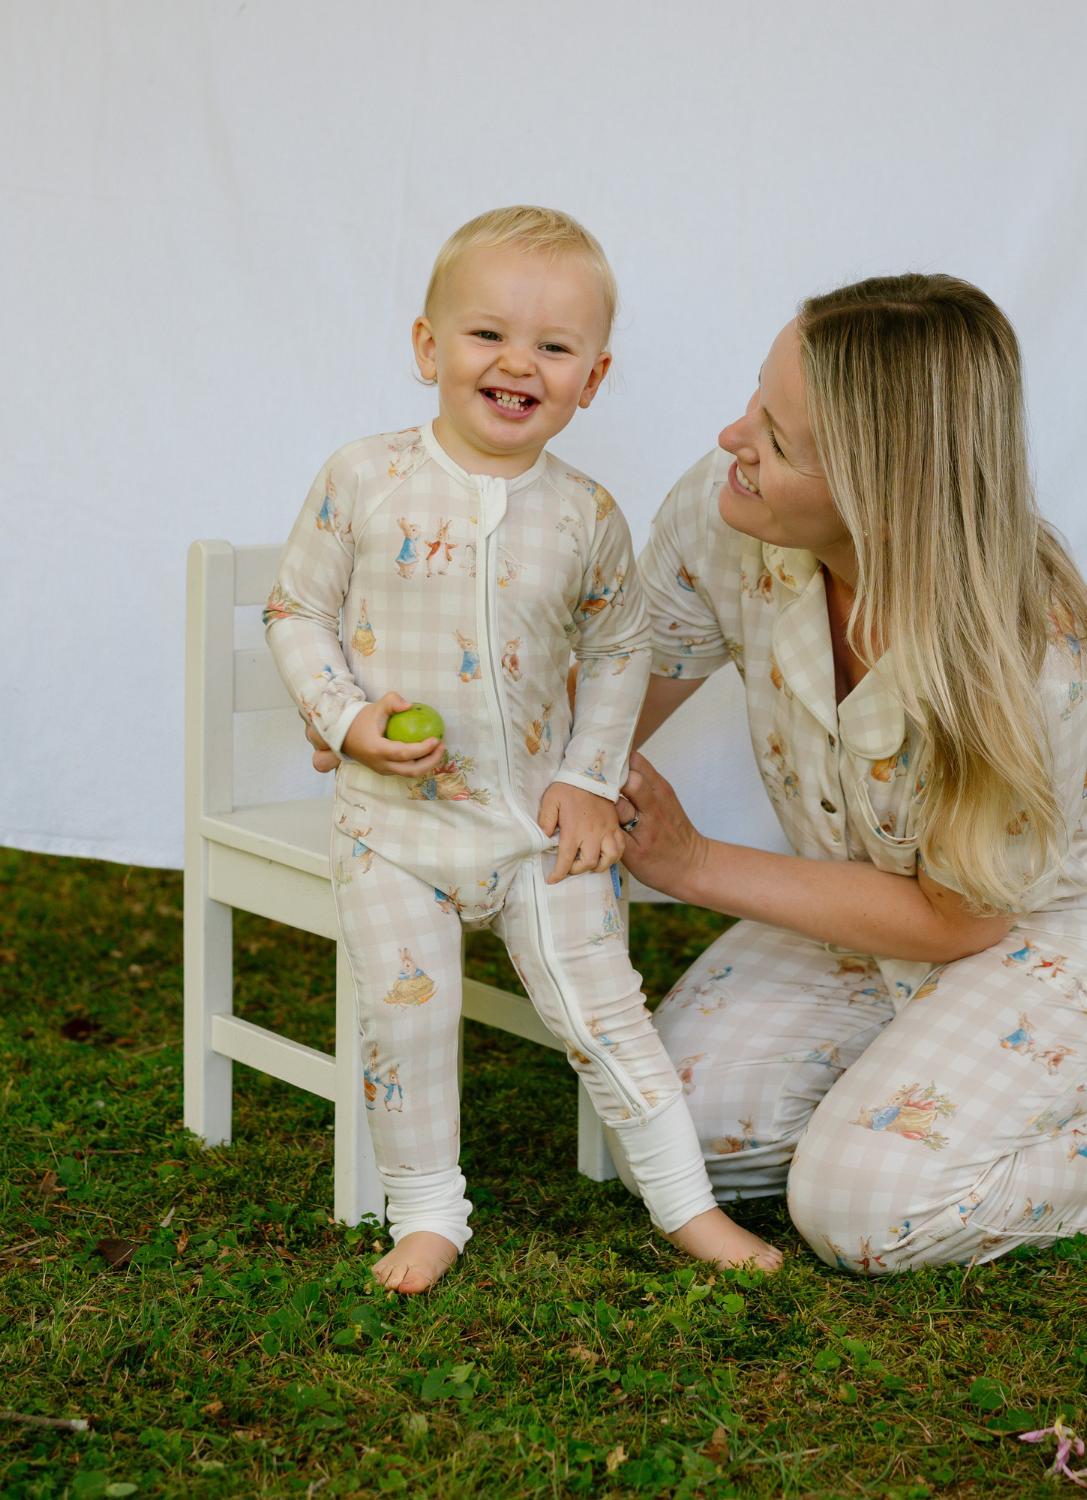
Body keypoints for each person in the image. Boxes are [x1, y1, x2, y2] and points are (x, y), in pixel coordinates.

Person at [611, 273, 1087, 1271]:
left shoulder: (1022, 666)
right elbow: (605, 707)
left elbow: (958, 921)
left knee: (863, 1209)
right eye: (757, 400)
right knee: (672, 1133)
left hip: (1073, 924)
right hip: (879, 896)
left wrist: (692, 862)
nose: (731, 438)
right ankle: (926, 1088)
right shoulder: (728, 511)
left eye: (778, 440)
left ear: (881, 500)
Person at [267, 206, 780, 1295]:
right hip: (393, 829)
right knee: (407, 1018)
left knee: (606, 1009)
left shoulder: (587, 513)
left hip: (537, 827)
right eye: (488, 334)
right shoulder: (363, 477)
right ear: (428, 347)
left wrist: (589, 782)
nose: (517, 364)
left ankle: (686, 1204)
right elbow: (296, 612)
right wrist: (344, 717)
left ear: (593, 379)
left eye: (553, 346)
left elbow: (622, 646)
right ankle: (427, 1212)